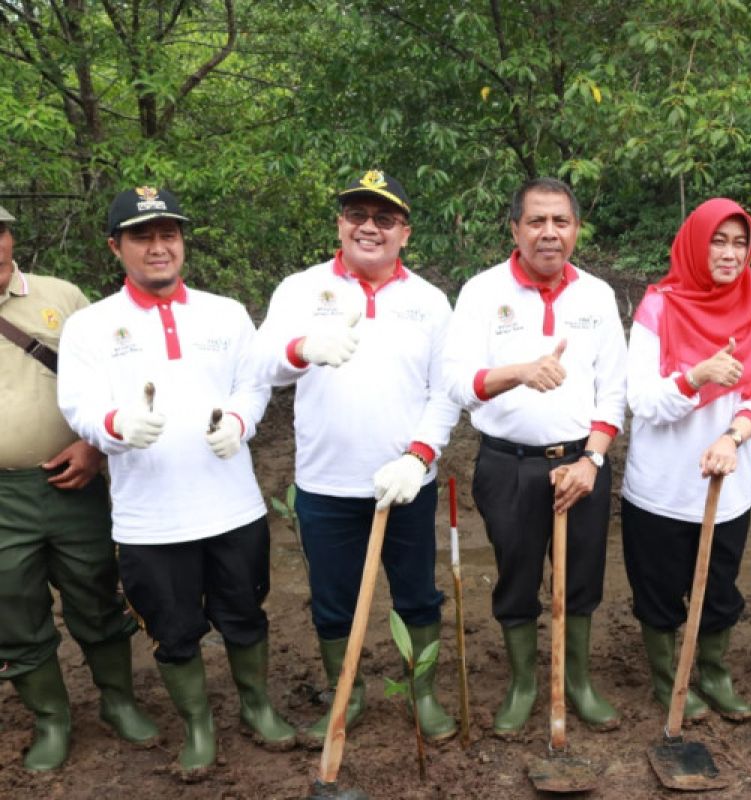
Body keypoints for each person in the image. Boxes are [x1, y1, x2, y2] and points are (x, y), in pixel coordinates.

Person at [57, 187, 294, 776]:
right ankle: (196, 724)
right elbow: (78, 404)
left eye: (169, 234)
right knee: (173, 627)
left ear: (182, 241)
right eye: (142, 236)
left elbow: (252, 383)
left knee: (244, 612)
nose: (159, 247)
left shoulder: (225, 312)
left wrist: (239, 422)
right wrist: (115, 426)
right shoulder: (91, 326)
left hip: (232, 505)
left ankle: (257, 705)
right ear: (117, 247)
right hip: (150, 516)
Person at [254, 171, 461, 745]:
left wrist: (419, 459)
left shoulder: (429, 301)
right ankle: (347, 693)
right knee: (332, 599)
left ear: (405, 233)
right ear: (341, 224)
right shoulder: (299, 289)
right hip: (325, 483)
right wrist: (302, 348)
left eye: (384, 218)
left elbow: (444, 394)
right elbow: (261, 364)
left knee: (418, 593)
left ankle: (423, 693)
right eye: (356, 215)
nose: (369, 227)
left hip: (406, 483)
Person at [443, 177, 626, 737]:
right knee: (516, 579)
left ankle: (577, 682)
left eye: (561, 222)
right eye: (537, 222)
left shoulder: (596, 295)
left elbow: (613, 391)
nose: (550, 233)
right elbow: (456, 383)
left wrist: (592, 460)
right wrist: (519, 372)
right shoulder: (481, 292)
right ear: (515, 228)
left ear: (575, 229)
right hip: (508, 465)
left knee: (582, 579)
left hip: (582, 463)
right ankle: (525, 684)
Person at [0, 203, 158, 771]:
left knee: (95, 588)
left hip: (71, 480)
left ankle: (118, 701)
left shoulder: (61, 298)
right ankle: (50, 720)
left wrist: (95, 446)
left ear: (11, 236)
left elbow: (108, 379)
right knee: (12, 605)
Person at [622, 197, 751, 723]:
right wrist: (697, 376)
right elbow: (643, 401)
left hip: (728, 483)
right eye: (719, 240)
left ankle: (713, 672)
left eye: (740, 242)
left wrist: (732, 438)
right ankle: (667, 679)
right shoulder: (658, 308)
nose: (730, 253)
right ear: (695, 243)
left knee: (719, 589)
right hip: (662, 485)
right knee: (660, 591)